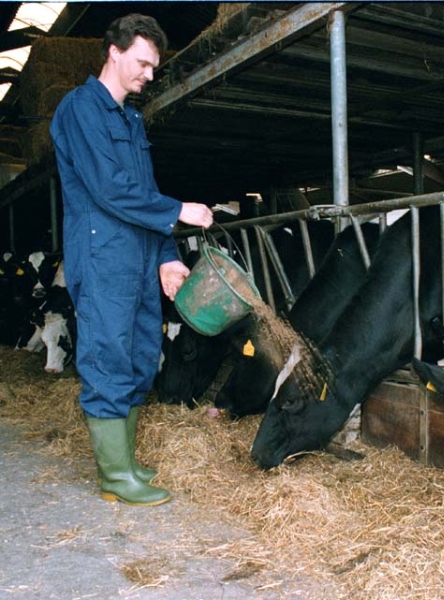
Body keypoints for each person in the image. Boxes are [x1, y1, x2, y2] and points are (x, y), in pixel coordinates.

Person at [49, 14, 213, 506]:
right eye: (142, 62)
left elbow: (144, 193)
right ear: (114, 53)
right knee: (109, 358)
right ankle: (115, 477)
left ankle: (125, 461)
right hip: (104, 258)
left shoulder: (131, 119)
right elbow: (108, 189)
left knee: (143, 356)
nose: (148, 74)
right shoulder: (80, 109)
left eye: (154, 67)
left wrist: (166, 256)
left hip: (141, 258)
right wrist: (179, 211)